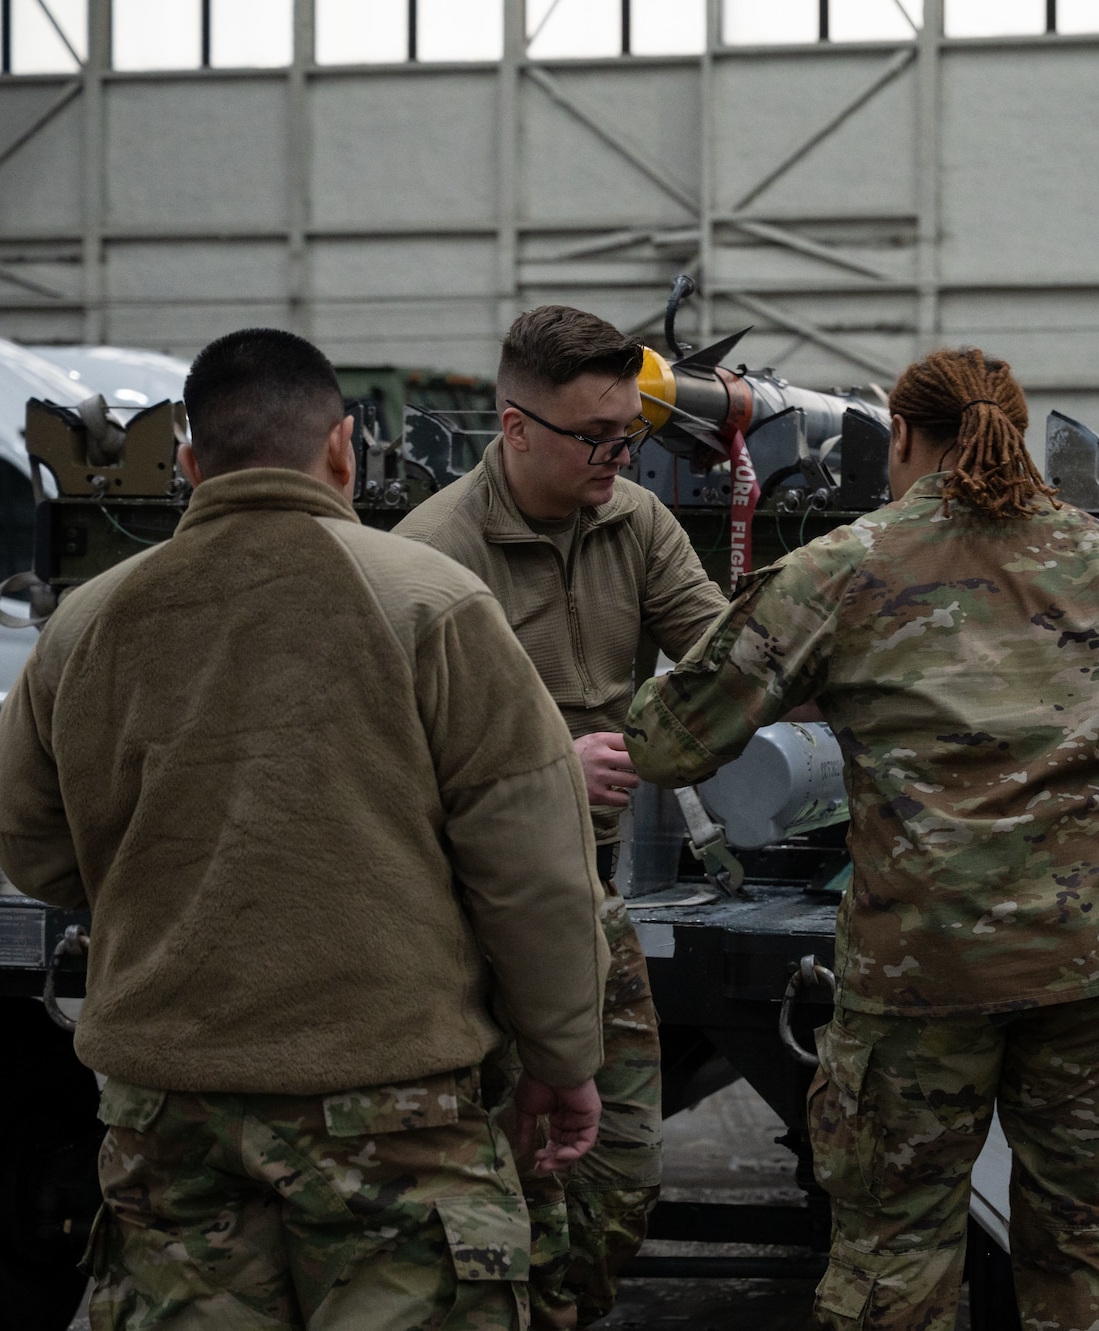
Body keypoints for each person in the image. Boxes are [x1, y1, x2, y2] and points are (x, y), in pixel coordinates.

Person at [0, 328, 609, 1328]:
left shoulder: (86, 622)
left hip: (164, 1111)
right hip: (391, 1111)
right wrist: (562, 1060)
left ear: (190, 464)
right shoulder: (433, 603)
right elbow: (533, 869)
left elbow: (28, 844)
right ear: (341, 447)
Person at [624, 346, 1099, 1331]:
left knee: (892, 1251)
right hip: (1087, 963)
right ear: (1018, 430)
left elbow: (666, 737)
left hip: (919, 969)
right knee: (1081, 1235)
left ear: (899, 438)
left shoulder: (842, 567)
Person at [396, 304, 727, 1327]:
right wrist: (541, 768)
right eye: (594, 437)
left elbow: (720, 662)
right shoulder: (430, 557)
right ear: (514, 427)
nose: (617, 456)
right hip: (461, 911)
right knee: (498, 1190)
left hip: (585, 892)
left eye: (628, 433)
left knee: (620, 1174)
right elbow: (385, 762)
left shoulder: (633, 518)